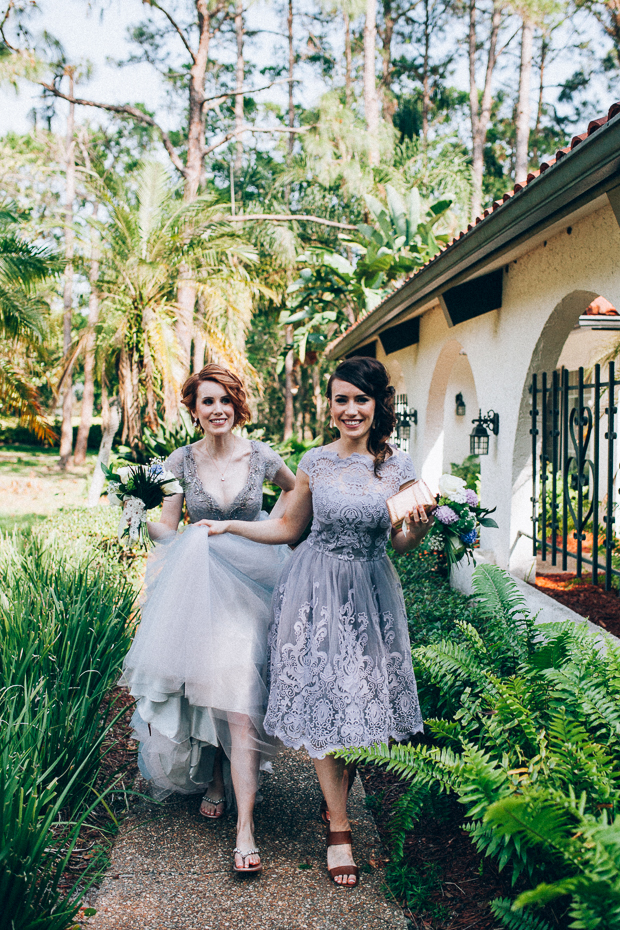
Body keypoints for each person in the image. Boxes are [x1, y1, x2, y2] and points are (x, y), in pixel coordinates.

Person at [203, 356, 433, 888]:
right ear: (329, 405)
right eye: (341, 399)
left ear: (378, 406)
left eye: (361, 400)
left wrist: (417, 531)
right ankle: (341, 828)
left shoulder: (399, 468)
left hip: (370, 594)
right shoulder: (316, 461)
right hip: (313, 594)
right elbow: (288, 526)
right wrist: (232, 526)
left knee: (358, 708)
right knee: (327, 701)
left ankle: (335, 810)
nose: (350, 410)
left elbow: (400, 542)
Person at [120, 363, 295, 874]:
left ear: (236, 405)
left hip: (252, 583)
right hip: (198, 586)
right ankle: (215, 775)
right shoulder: (179, 461)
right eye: (206, 402)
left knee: (240, 700)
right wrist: (137, 513)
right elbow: (171, 531)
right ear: (194, 410)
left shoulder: (261, 456)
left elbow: (292, 492)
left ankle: (245, 828)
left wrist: (271, 528)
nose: (217, 410)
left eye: (224, 401)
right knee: (206, 689)